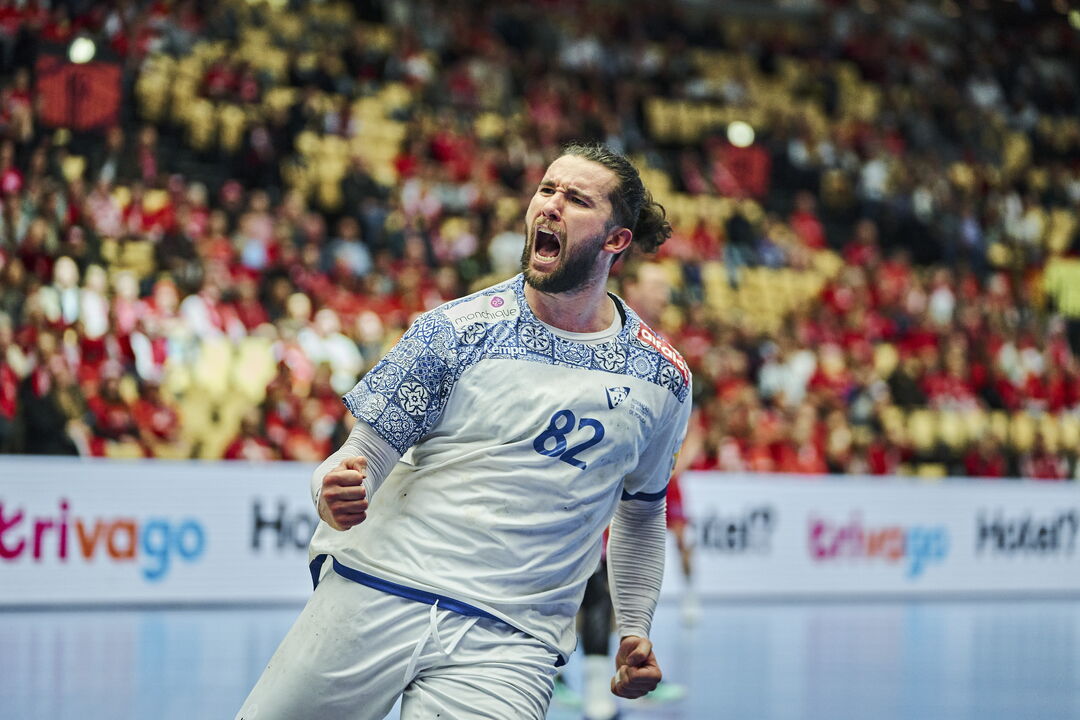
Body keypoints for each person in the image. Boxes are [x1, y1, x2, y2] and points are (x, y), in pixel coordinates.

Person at [236, 142, 693, 720]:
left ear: (616, 240)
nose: (550, 206)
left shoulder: (663, 377)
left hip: (510, 640)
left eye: (576, 199)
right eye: (546, 189)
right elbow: (357, 459)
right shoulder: (453, 331)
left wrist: (633, 627)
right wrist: (330, 490)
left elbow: (642, 511)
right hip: (378, 591)